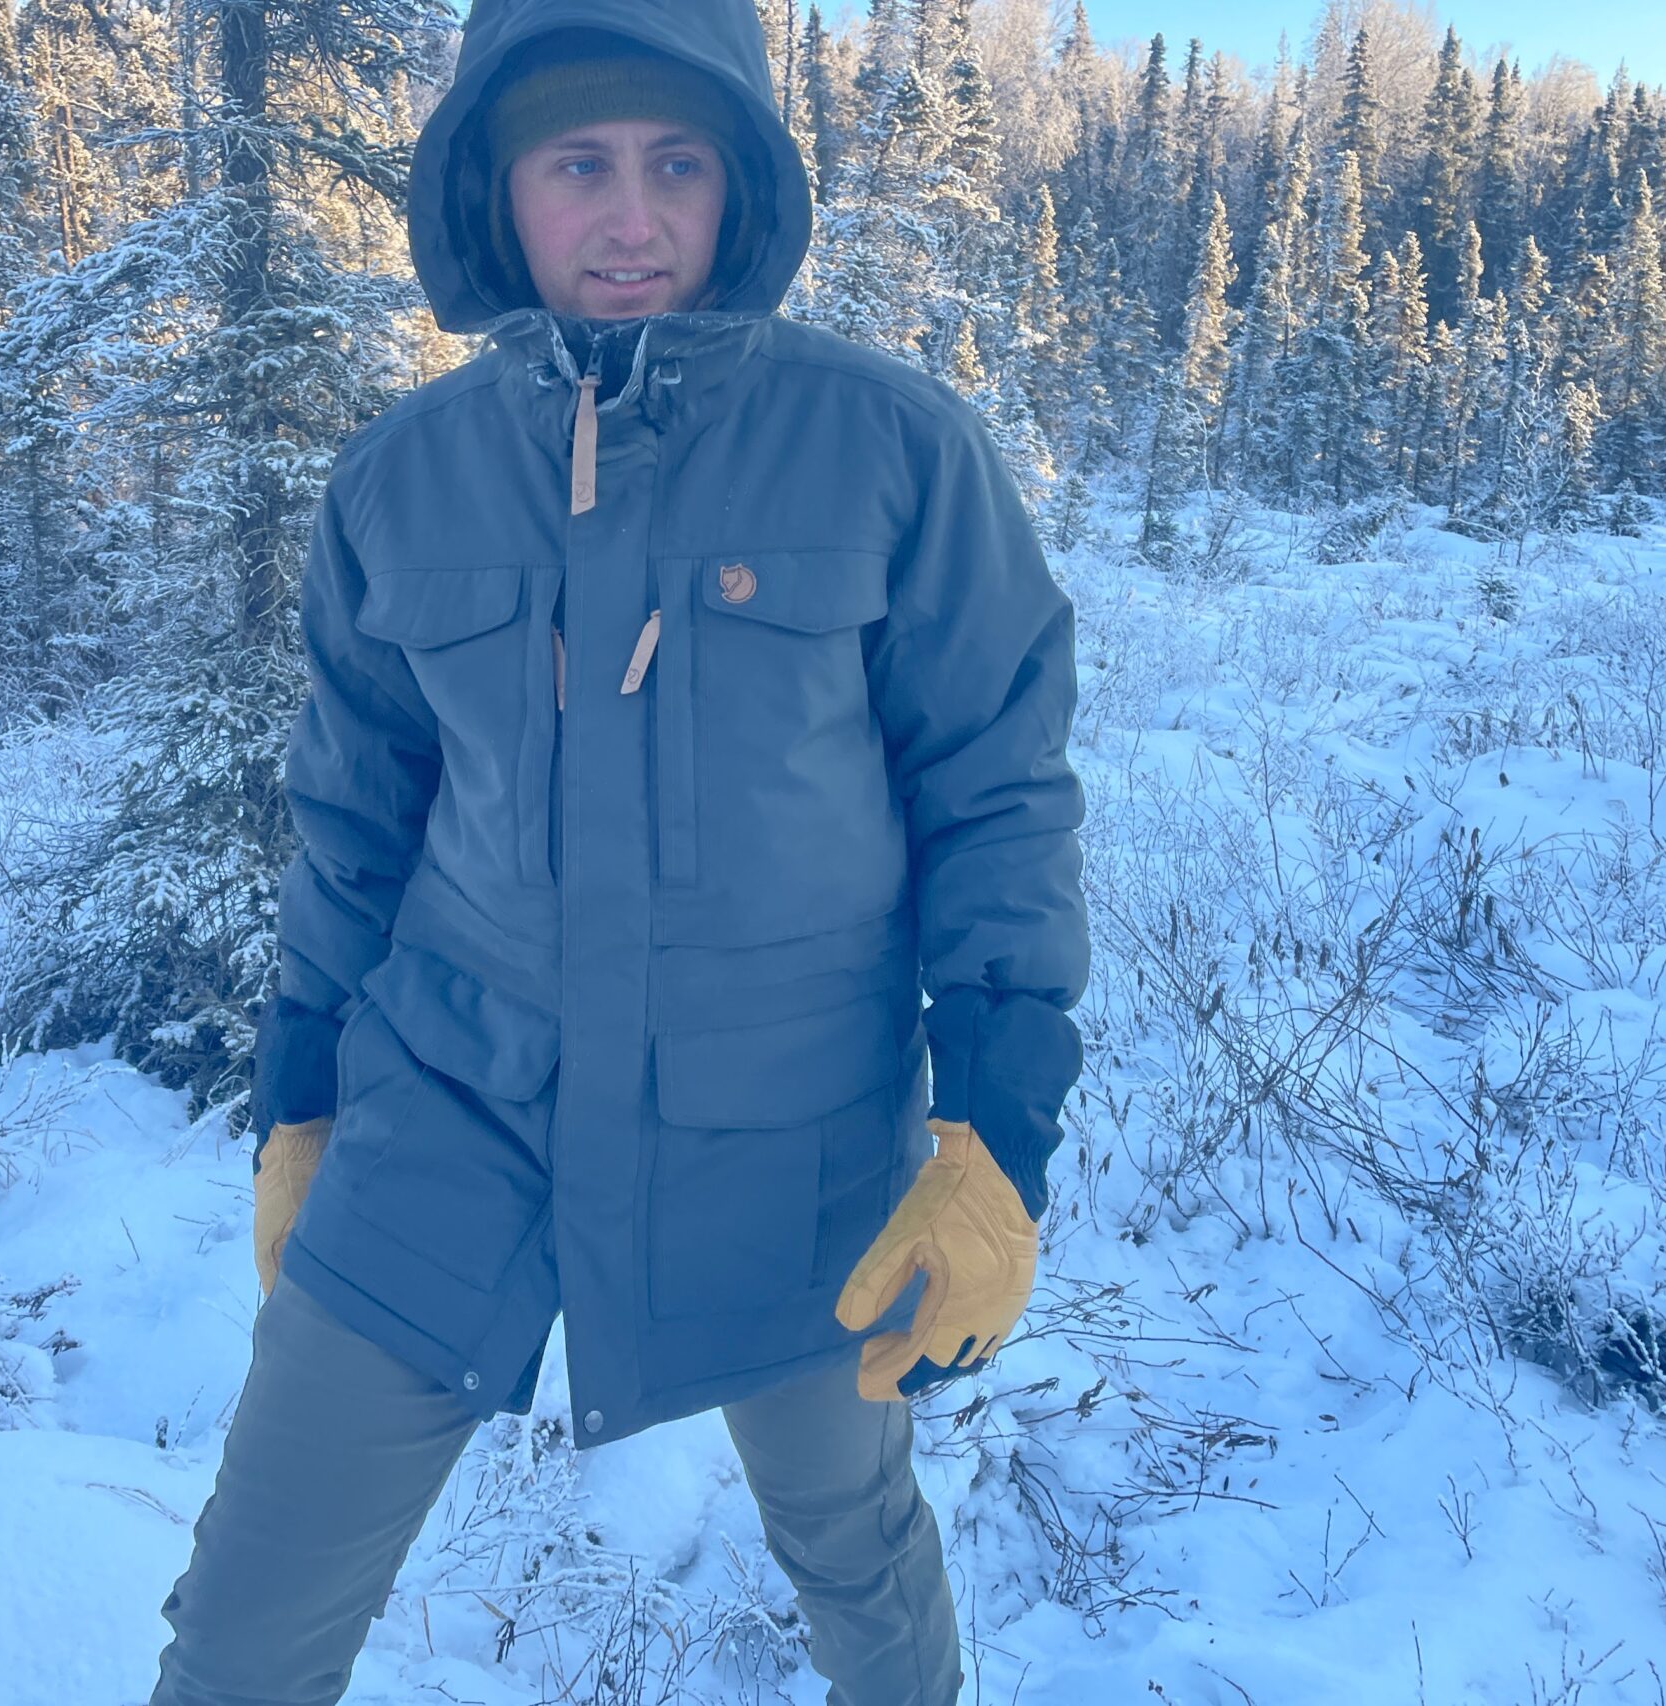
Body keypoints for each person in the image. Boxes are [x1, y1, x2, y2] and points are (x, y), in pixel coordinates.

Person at [148, 2, 1087, 1701]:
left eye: (678, 165)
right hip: (451, 1103)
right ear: (496, 192)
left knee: (855, 1549)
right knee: (241, 1625)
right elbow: (354, 818)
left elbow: (996, 791)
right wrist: (298, 1097)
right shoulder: (400, 481)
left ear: (741, 191)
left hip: (791, 1125)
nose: (633, 217)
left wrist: (996, 1134)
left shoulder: (892, 453)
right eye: (580, 163)